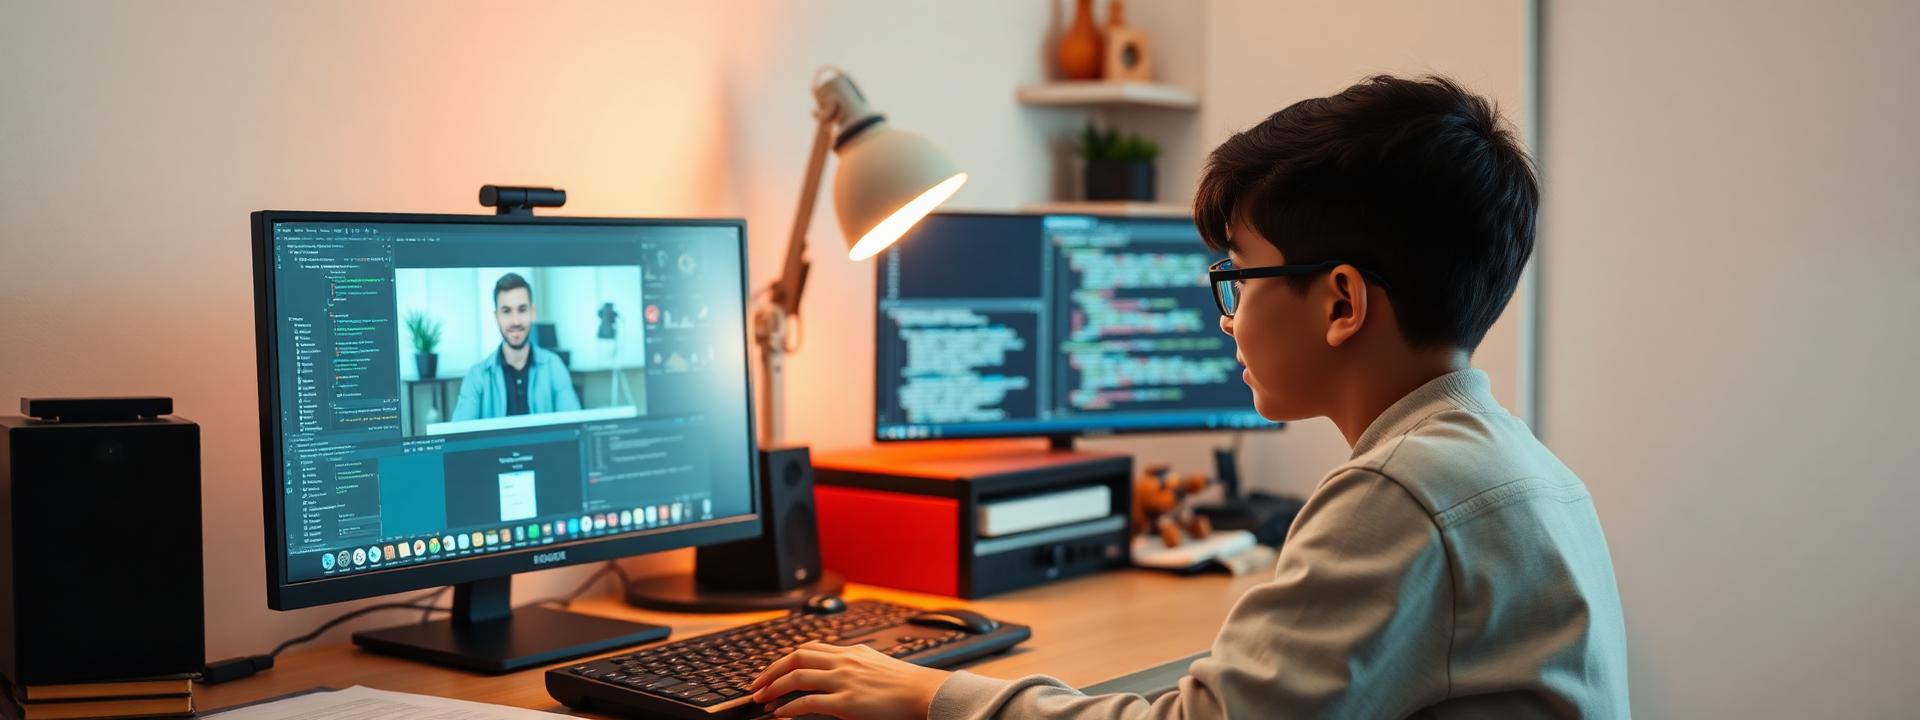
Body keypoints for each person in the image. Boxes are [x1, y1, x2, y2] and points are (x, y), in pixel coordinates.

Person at [747, 75, 1628, 718]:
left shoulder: (1398, 495)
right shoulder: (1516, 464)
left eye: (1237, 277)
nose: (1228, 317)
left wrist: (931, 693)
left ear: (1342, 302)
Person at [450, 272, 581, 421]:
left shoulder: (554, 366)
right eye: (506, 311)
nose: (515, 321)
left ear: (532, 312)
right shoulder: (477, 376)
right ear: (496, 316)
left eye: (522, 309)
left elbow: (573, 427)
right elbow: (460, 436)